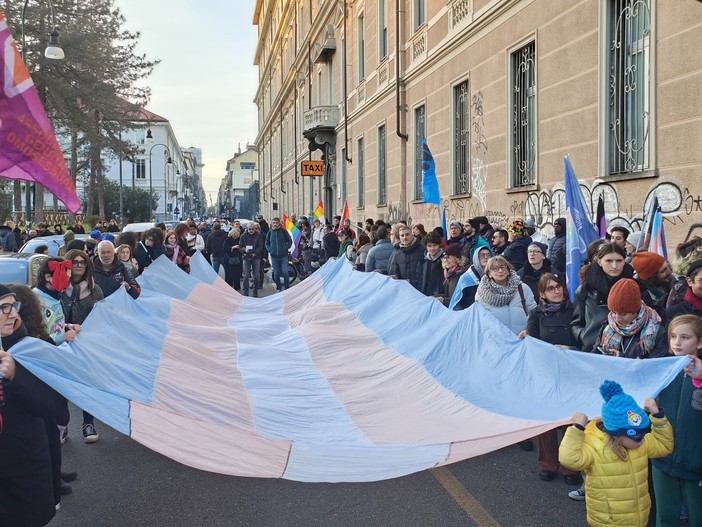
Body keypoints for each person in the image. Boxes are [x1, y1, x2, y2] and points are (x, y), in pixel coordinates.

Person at [559, 380, 673, 527]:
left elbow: (664, 446)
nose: (643, 439)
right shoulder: (594, 445)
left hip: (639, 517)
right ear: (617, 435)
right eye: (638, 436)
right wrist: (577, 429)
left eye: (645, 433)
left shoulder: (640, 444)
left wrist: (658, 416)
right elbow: (569, 459)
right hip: (608, 521)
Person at [0, 285, 67, 526]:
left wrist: (16, 375)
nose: (13, 313)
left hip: (24, 469)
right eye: (3, 307)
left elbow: (55, 406)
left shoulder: (29, 349)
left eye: (14, 305)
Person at [519, 274, 581, 485]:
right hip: (546, 375)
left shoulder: (575, 310)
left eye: (559, 287)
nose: (557, 291)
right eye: (551, 288)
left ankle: (570, 466)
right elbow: (533, 345)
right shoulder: (536, 314)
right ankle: (547, 464)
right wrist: (526, 337)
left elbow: (583, 340)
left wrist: (571, 349)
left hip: (571, 374)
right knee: (547, 423)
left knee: (569, 422)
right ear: (542, 293)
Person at [651, 315, 702, 527]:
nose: (677, 342)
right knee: (665, 517)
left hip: (696, 464)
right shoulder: (661, 372)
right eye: (673, 336)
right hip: (662, 460)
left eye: (685, 337)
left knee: (697, 518)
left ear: (699, 342)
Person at [60, 249, 104, 443]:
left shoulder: (95, 290)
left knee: (87, 384)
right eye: (74, 262)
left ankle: (88, 423)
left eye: (82, 262)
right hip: (62, 344)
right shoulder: (58, 288)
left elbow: (104, 318)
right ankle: (62, 426)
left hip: (88, 345)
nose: (78, 265)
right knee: (61, 386)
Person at [571, 242, 634, 352]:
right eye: (609, 261)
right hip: (592, 352)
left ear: (624, 261)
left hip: (625, 353)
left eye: (619, 261)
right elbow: (576, 323)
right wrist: (585, 337)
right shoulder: (585, 290)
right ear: (599, 261)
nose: (614, 266)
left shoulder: (636, 288)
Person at [475, 255, 536, 335]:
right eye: (495, 268)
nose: (500, 271)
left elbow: (534, 314)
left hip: (523, 340)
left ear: (508, 270)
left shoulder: (522, 289)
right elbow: (480, 321)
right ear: (489, 273)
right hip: (496, 342)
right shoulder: (482, 294)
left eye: (503, 267)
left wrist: (528, 330)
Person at [33, 258, 80, 345]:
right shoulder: (35, 300)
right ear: (48, 277)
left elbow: (51, 323)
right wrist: (61, 338)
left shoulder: (55, 296)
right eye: (63, 277)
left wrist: (67, 326)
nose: (67, 282)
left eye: (68, 278)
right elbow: (35, 335)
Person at [387, 225, 425, 291]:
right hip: (405, 290)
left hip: (421, 289)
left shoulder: (422, 250)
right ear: (399, 237)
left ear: (412, 235)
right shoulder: (397, 253)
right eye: (402, 235)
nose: (405, 237)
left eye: (407, 234)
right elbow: (394, 272)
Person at [265, 217, 292, 292]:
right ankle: (278, 287)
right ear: (272, 224)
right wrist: (270, 250)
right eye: (274, 223)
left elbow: (289, 240)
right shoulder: (270, 232)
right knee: (276, 273)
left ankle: (287, 286)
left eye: (276, 223)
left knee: (285, 271)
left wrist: (286, 247)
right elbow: (266, 243)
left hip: (283, 256)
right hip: (274, 256)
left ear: (279, 223)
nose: (275, 224)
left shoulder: (283, 231)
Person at [240, 220, 264, 297]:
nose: (251, 231)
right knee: (246, 275)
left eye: (252, 229)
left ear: (254, 228)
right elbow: (240, 246)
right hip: (246, 257)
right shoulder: (243, 236)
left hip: (256, 257)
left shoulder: (258, 235)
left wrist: (255, 253)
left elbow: (260, 246)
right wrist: (244, 249)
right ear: (247, 229)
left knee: (256, 275)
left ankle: (255, 291)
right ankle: (246, 292)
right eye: (249, 229)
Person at [417, 232, 445, 298]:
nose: (432, 248)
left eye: (434, 245)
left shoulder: (444, 260)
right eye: (429, 246)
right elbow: (419, 279)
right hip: (425, 295)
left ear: (439, 245)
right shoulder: (422, 262)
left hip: (440, 296)